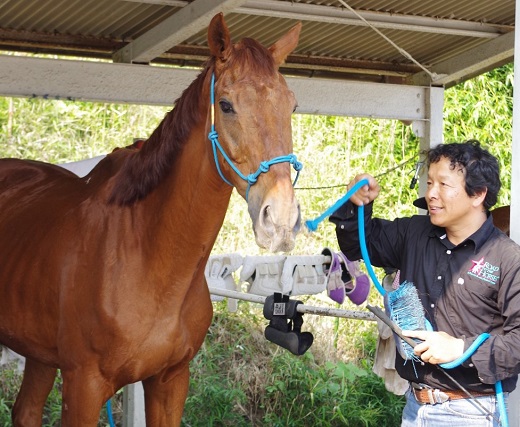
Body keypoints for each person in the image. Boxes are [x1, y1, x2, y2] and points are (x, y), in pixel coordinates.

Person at [330, 140, 520, 426]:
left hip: (474, 412)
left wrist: (460, 349)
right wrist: (355, 204)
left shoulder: (507, 257)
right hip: (415, 407)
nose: (431, 193)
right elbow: (359, 244)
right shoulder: (414, 233)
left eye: (444, 184)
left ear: (478, 194)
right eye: (429, 182)